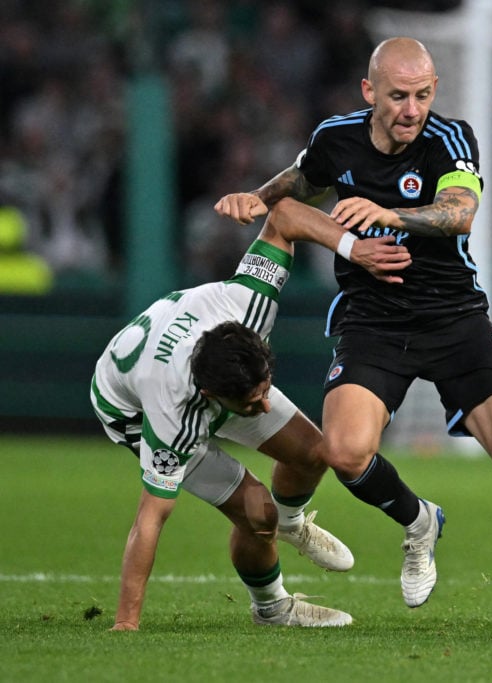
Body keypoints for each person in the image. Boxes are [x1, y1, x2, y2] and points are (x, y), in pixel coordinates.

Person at [214, 37, 492, 637]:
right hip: (373, 320)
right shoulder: (338, 136)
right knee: (345, 452)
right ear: (369, 92)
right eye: (399, 96)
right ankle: (419, 524)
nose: (413, 109)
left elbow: (458, 213)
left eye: (423, 95)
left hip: (455, 319)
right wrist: (257, 198)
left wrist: (383, 214)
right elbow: (306, 179)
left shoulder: (450, 139)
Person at [91, 198, 412, 630]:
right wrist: (126, 624)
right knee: (258, 513)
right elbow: (150, 518)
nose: (265, 407)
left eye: (267, 391)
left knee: (315, 453)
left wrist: (355, 249)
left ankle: (291, 523)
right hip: (131, 408)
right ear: (212, 396)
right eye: (252, 404)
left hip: (198, 365)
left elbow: (284, 215)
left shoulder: (248, 304)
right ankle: (273, 608)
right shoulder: (173, 415)